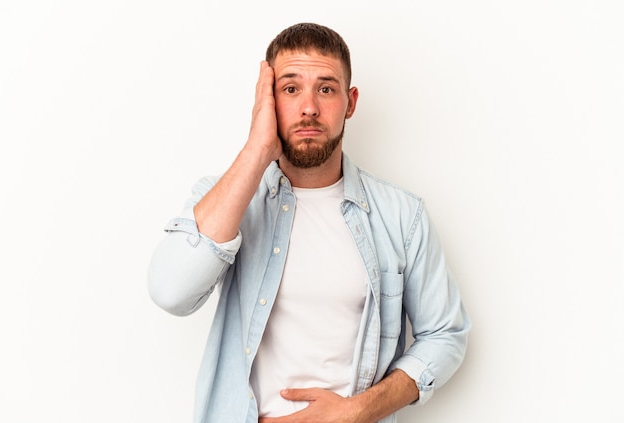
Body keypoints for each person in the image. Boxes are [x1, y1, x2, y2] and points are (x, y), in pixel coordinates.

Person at [148, 22, 470, 423]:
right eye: (290, 88)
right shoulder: (227, 198)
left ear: (350, 102)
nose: (309, 108)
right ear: (267, 100)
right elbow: (170, 291)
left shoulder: (402, 215)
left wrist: (356, 411)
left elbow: (445, 335)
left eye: (326, 88)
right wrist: (258, 147)